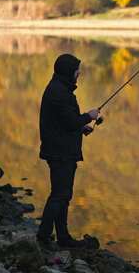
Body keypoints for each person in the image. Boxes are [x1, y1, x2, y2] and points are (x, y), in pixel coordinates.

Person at [36, 53, 100, 249]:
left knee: (62, 194)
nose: (78, 73)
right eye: (76, 70)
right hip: (60, 152)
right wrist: (89, 116)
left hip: (60, 149)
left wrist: (81, 128)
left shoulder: (58, 88)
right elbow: (70, 120)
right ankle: (44, 236)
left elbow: (64, 122)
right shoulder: (60, 93)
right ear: (68, 72)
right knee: (60, 195)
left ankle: (62, 237)